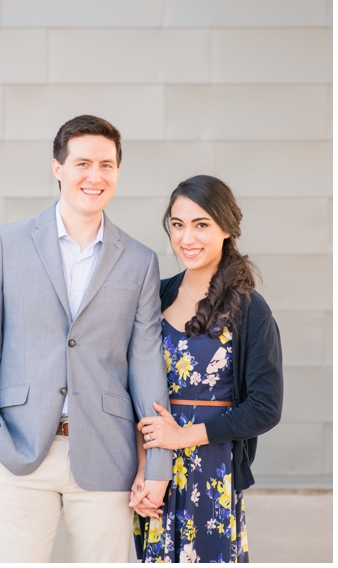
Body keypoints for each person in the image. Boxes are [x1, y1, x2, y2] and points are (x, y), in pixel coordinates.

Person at [0, 114, 172, 563]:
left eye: (107, 165)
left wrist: (157, 464)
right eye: (83, 164)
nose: (95, 176)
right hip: (17, 449)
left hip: (107, 455)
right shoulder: (5, 244)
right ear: (58, 168)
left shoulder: (139, 260)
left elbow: (147, 365)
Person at [132, 175, 283, 563]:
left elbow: (265, 407)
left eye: (202, 225)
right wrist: (142, 466)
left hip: (213, 467)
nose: (187, 238)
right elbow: (132, 386)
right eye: (178, 225)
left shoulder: (250, 309)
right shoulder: (156, 294)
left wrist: (183, 436)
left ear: (227, 229)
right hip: (156, 466)